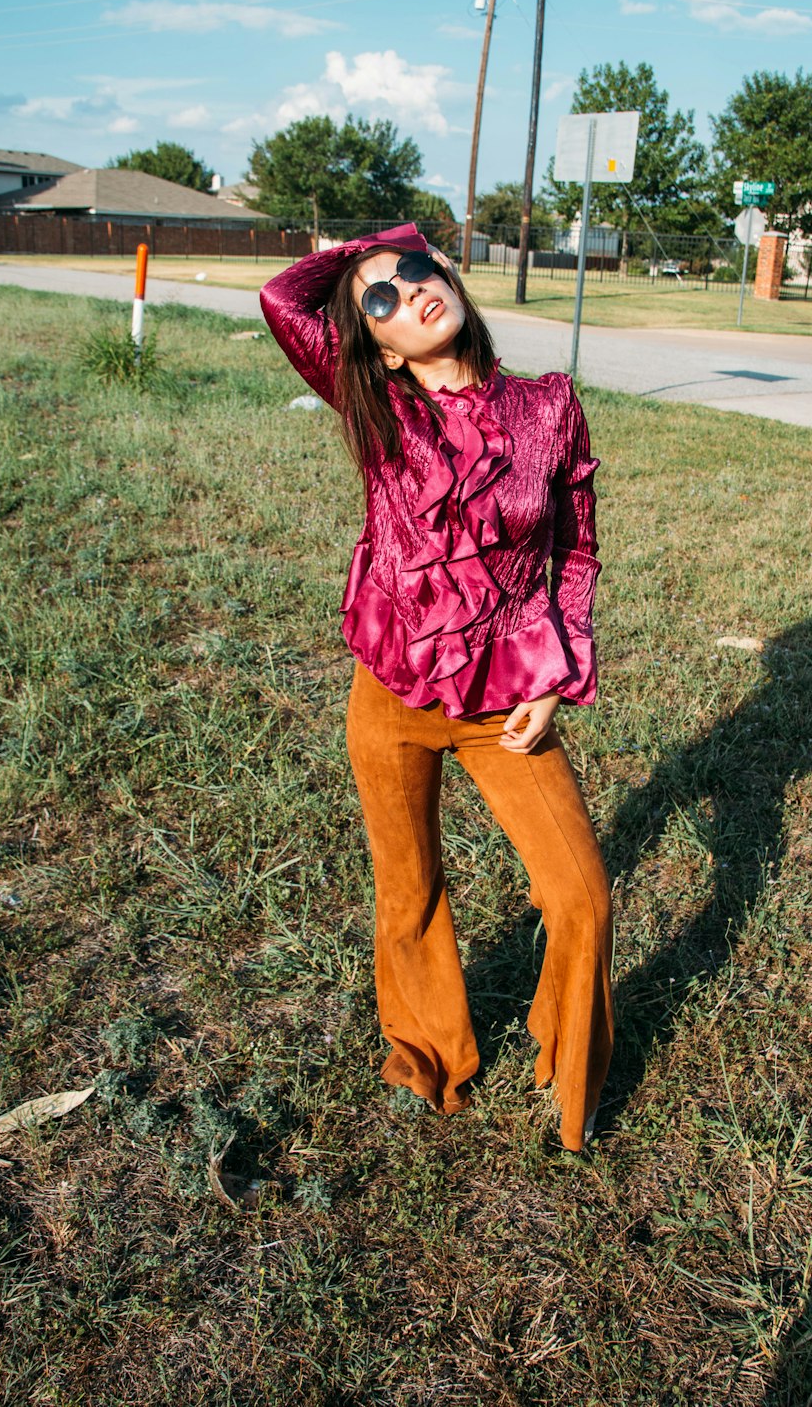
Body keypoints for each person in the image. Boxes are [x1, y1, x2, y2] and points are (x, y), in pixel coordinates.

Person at [260, 224, 613, 1151]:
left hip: (506, 702)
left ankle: (567, 1068)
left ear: (448, 274)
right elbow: (282, 304)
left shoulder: (549, 408)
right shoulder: (381, 414)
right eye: (381, 300)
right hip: (389, 697)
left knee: (580, 894)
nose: (408, 292)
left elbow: (574, 550)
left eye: (417, 271)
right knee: (407, 886)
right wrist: (359, 253)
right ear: (376, 346)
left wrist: (563, 665)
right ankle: (429, 1052)